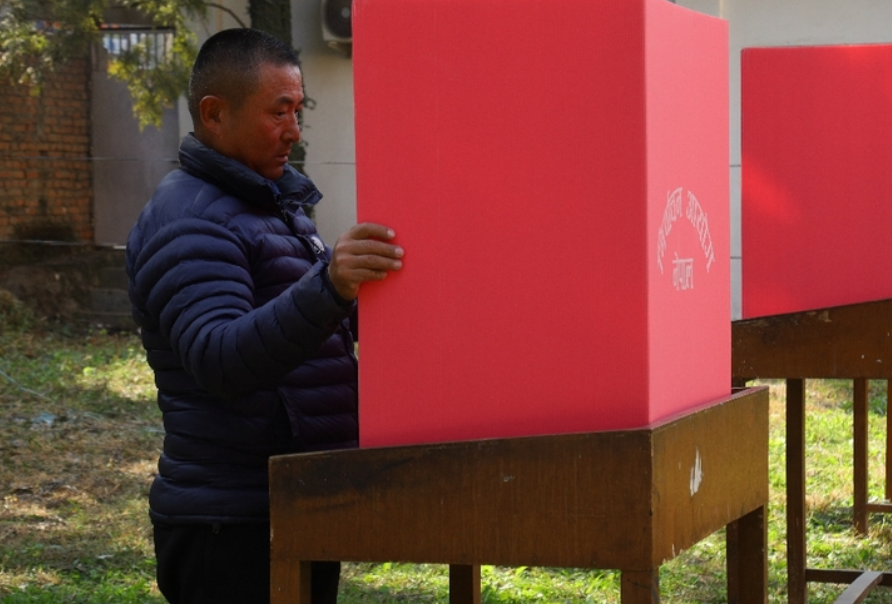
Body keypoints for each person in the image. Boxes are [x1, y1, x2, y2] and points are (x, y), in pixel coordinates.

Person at [126, 27, 403, 604]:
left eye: (298, 110)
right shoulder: (190, 218)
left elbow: (314, 333)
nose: (294, 130)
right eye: (279, 112)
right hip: (230, 525)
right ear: (215, 114)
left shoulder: (266, 204)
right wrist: (329, 286)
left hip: (292, 501)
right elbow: (219, 360)